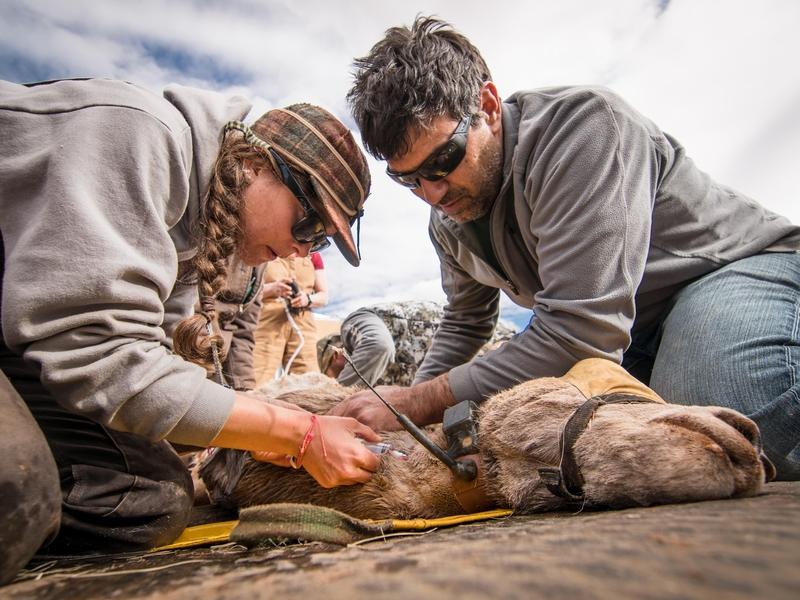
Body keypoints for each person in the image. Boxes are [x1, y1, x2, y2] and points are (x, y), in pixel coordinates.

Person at [332, 16, 800, 480]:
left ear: (488, 106)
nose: (432, 193)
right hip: (632, 334)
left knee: (740, 424)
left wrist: (419, 401)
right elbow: (465, 322)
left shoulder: (582, 129)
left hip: (731, 273)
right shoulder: (448, 221)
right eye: (408, 179)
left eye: (443, 160)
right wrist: (405, 412)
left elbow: (580, 332)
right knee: (559, 445)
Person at [0, 78, 379, 583]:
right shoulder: (133, 132)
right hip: (36, 337)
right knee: (17, 495)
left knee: (150, 498)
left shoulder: (205, 232)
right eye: (309, 226)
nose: (303, 252)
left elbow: (152, 361)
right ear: (256, 164)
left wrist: (251, 427)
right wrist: (299, 433)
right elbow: (108, 364)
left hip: (20, 340)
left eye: (321, 244)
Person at [318, 300, 515, 387]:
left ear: (336, 355)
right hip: (487, 366)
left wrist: (337, 404)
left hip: (494, 339)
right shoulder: (381, 379)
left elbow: (377, 347)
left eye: (334, 374)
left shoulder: (354, 323)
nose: (337, 378)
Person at [252, 252, 328, 386]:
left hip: (303, 324)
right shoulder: (266, 247)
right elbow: (245, 290)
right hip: (268, 322)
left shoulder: (314, 255)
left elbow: (323, 297)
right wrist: (272, 289)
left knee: (309, 383)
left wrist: (308, 299)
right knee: (257, 377)